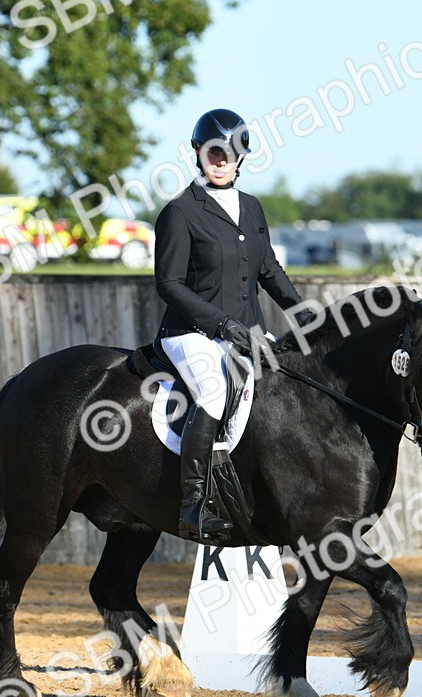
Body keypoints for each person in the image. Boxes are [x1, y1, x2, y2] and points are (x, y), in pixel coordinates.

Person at [154, 108, 315, 544]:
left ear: (242, 156)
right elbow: (168, 284)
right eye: (213, 151)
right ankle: (193, 505)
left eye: (230, 151)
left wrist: (302, 312)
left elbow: (269, 269)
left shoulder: (252, 207)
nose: (222, 159)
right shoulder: (180, 212)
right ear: (197, 153)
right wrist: (222, 324)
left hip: (247, 334)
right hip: (192, 335)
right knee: (212, 390)